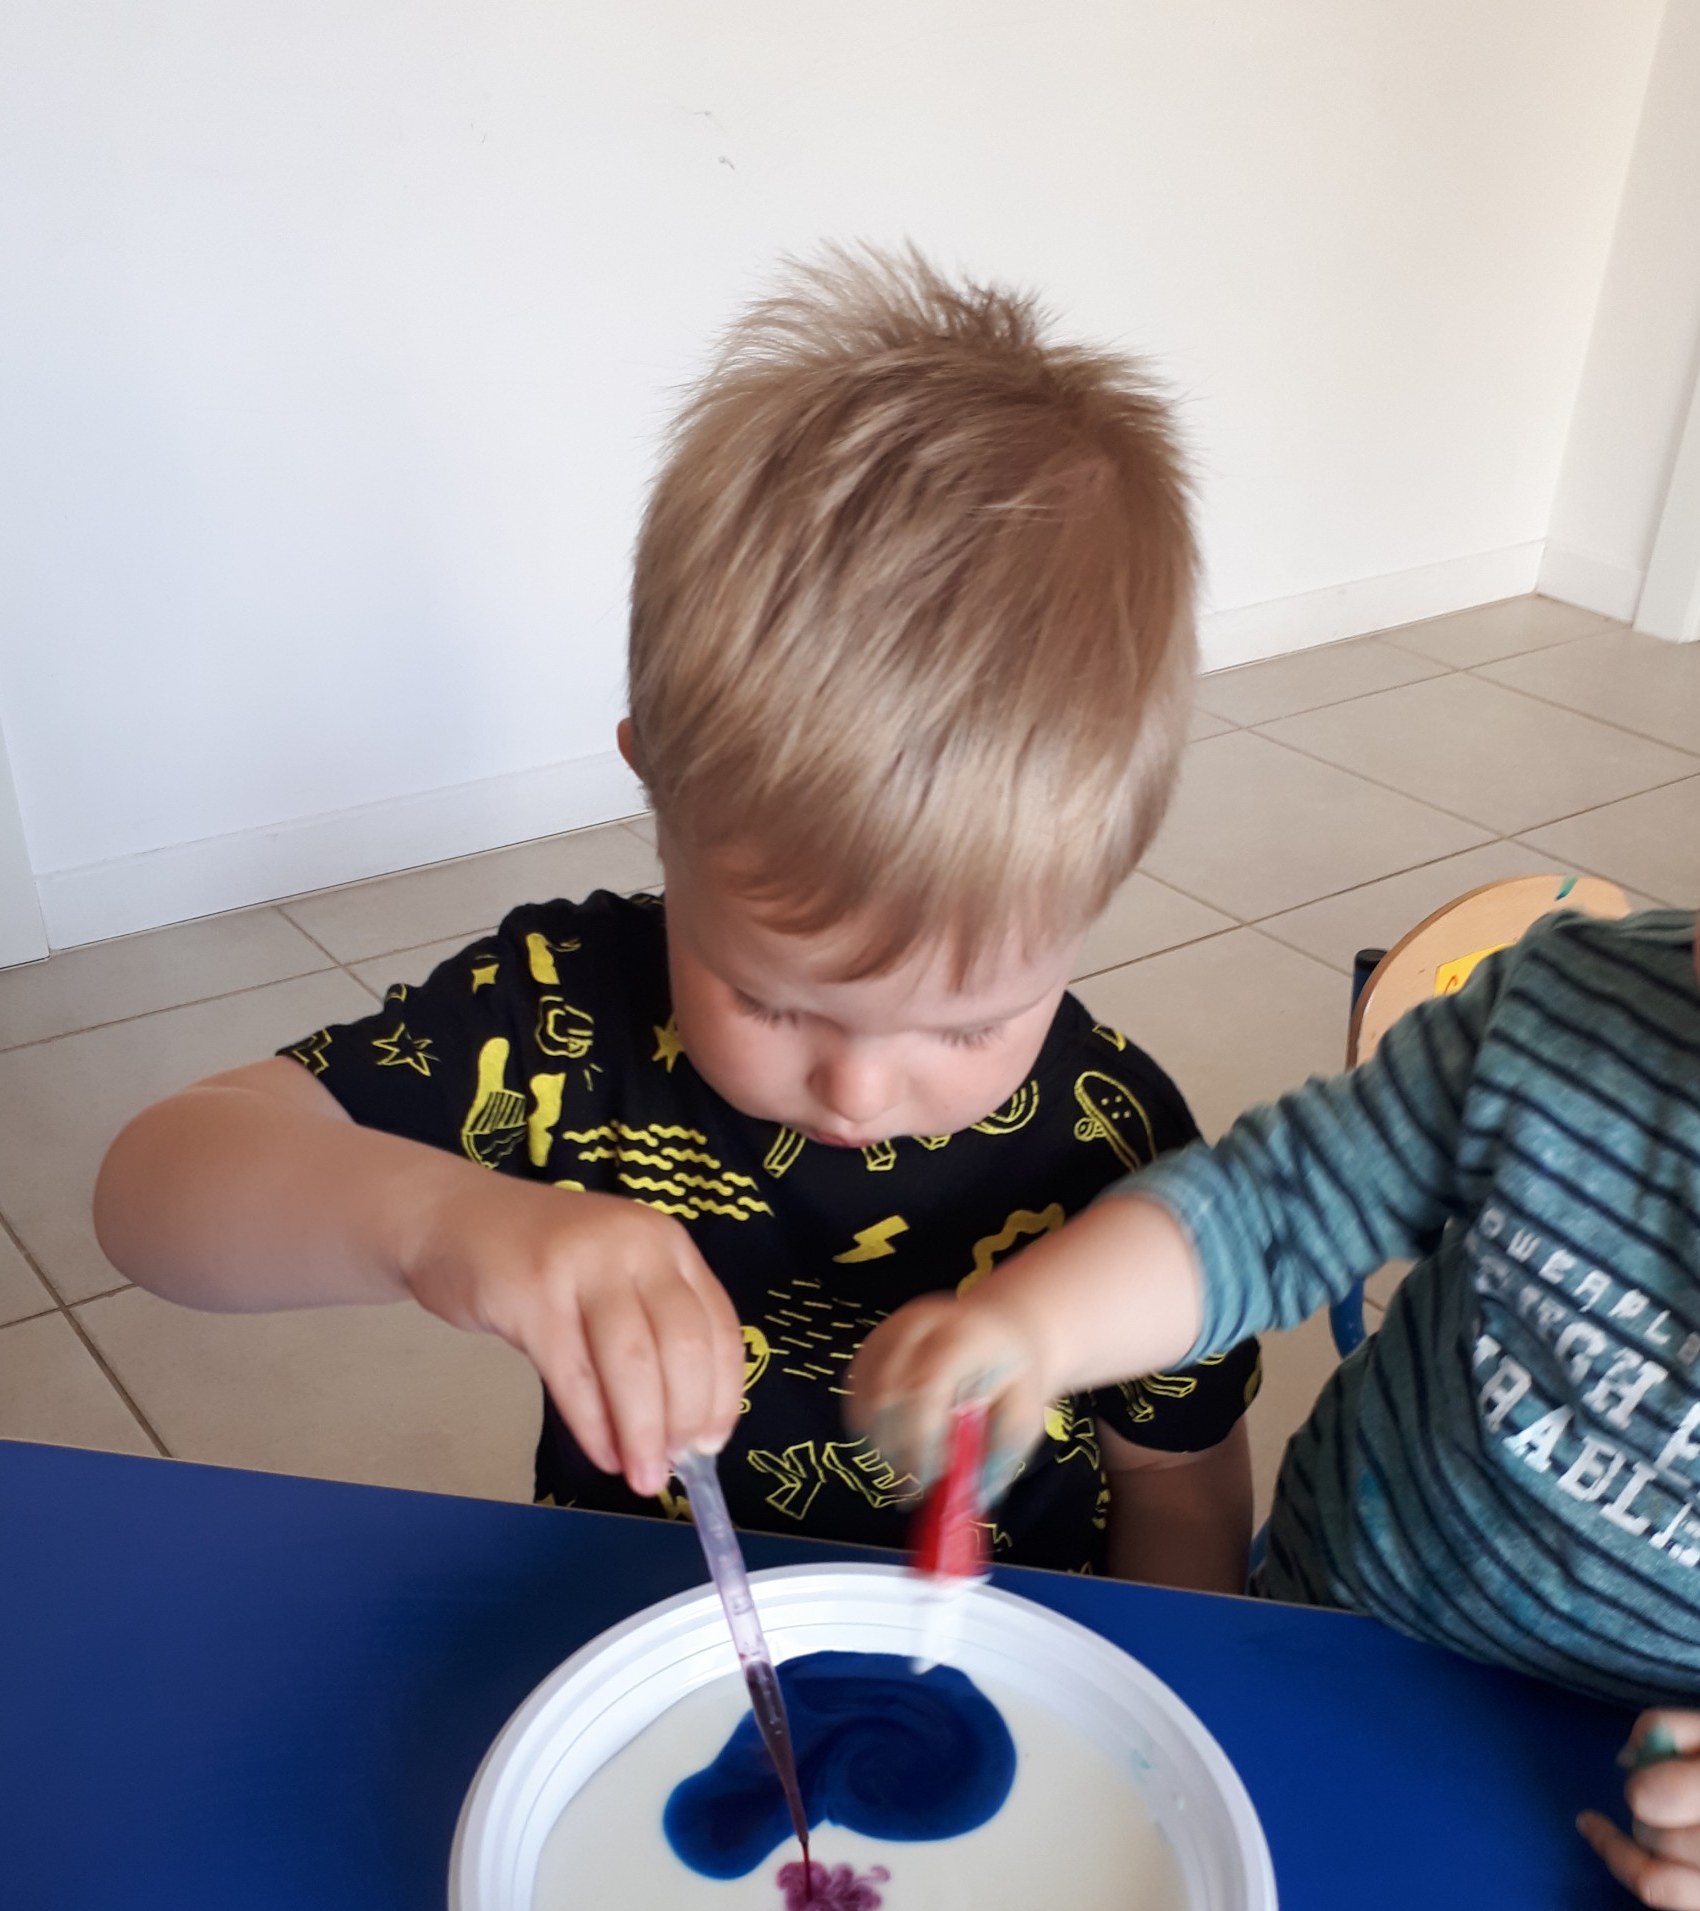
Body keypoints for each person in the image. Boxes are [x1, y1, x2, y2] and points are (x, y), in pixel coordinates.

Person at [94, 247, 1258, 1587]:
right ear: (658, 788)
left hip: (1006, 1659)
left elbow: (1177, 1481)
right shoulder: (563, 1014)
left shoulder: (1117, 1142)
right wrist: (438, 1222)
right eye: (770, 998)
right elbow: (154, 1189)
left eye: (970, 1023)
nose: (858, 1088)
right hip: (628, 1629)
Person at [850, 523, 1700, 1911]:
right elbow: (1276, 1203)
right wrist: (1031, 1327)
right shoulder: (1569, 1016)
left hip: (1675, 1819)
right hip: (1335, 1633)